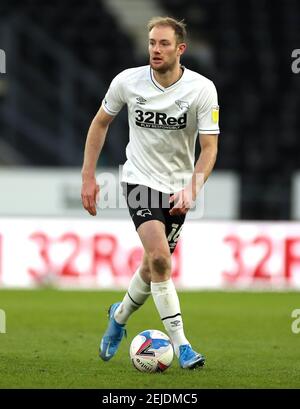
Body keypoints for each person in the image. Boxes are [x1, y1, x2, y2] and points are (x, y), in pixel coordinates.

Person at [81, 16, 219, 369]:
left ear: (180, 49)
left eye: (164, 44)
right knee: (160, 258)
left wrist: (193, 186)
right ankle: (183, 345)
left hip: (178, 190)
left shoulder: (202, 89)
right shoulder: (128, 82)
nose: (155, 50)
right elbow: (100, 122)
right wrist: (88, 176)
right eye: (152, 43)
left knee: (149, 267)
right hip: (139, 180)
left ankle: (119, 316)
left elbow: (209, 147)